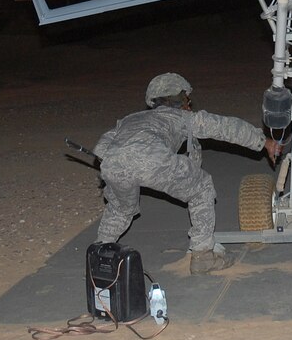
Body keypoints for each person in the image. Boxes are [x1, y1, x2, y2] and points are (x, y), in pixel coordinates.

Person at [92, 72, 282, 274]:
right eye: (187, 99)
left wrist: (112, 168)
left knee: (120, 209)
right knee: (202, 188)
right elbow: (226, 127)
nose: (189, 104)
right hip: (154, 160)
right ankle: (203, 255)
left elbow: (101, 148)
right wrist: (264, 142)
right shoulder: (184, 118)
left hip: (113, 165)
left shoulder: (129, 120)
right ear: (180, 98)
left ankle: (98, 254)